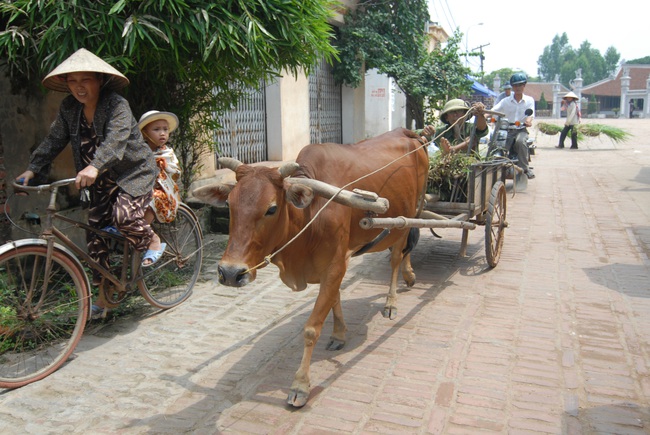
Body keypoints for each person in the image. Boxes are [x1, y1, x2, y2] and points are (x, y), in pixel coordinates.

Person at [15, 48, 159, 318]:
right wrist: (32, 169)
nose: (79, 87)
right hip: (99, 178)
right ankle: (104, 297)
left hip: (133, 171)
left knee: (124, 217)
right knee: (94, 236)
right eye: (73, 81)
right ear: (67, 84)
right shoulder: (69, 107)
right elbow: (55, 139)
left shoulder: (117, 105)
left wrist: (94, 166)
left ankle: (151, 239)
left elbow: (115, 142)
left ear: (99, 80)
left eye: (86, 80)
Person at [138, 110, 182, 265]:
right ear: (144, 133)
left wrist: (161, 167)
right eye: (156, 130)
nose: (162, 133)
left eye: (165, 129)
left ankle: (144, 229)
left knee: (151, 199)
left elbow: (174, 171)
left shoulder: (167, 153)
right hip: (140, 187)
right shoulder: (139, 151)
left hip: (163, 191)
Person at [491, 72, 536, 179]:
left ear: (524, 85)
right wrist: (484, 114)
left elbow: (531, 115)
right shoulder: (505, 101)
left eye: (520, 85)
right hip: (507, 130)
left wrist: (528, 121)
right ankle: (495, 167)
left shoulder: (529, 100)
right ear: (512, 87)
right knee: (497, 144)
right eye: (515, 85)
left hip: (521, 130)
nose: (518, 88)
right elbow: (494, 111)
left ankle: (525, 168)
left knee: (520, 142)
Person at [420, 99, 489, 155]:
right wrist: (424, 132)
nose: (455, 114)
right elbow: (415, 134)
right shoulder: (441, 131)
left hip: (471, 168)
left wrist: (480, 114)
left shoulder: (471, 128)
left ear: (465, 114)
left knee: (471, 141)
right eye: (451, 112)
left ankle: (450, 151)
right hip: (445, 167)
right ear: (446, 117)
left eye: (459, 111)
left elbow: (482, 128)